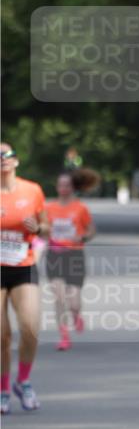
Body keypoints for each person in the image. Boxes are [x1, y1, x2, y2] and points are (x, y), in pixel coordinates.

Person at [0, 142, 50, 414]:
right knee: (1, 336)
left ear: (16, 161)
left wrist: (38, 227)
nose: (2, 159)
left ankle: (24, 381)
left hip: (23, 264)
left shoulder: (32, 190)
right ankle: (3, 388)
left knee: (30, 328)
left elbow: (46, 228)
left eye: (6, 155)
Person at [45, 169, 98, 351]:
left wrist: (81, 238)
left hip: (74, 256)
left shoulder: (80, 208)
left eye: (67, 185)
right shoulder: (48, 208)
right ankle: (64, 335)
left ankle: (76, 315)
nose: (63, 188)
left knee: (74, 302)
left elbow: (91, 230)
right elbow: (42, 232)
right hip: (54, 255)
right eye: (60, 185)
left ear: (73, 187)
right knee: (59, 297)